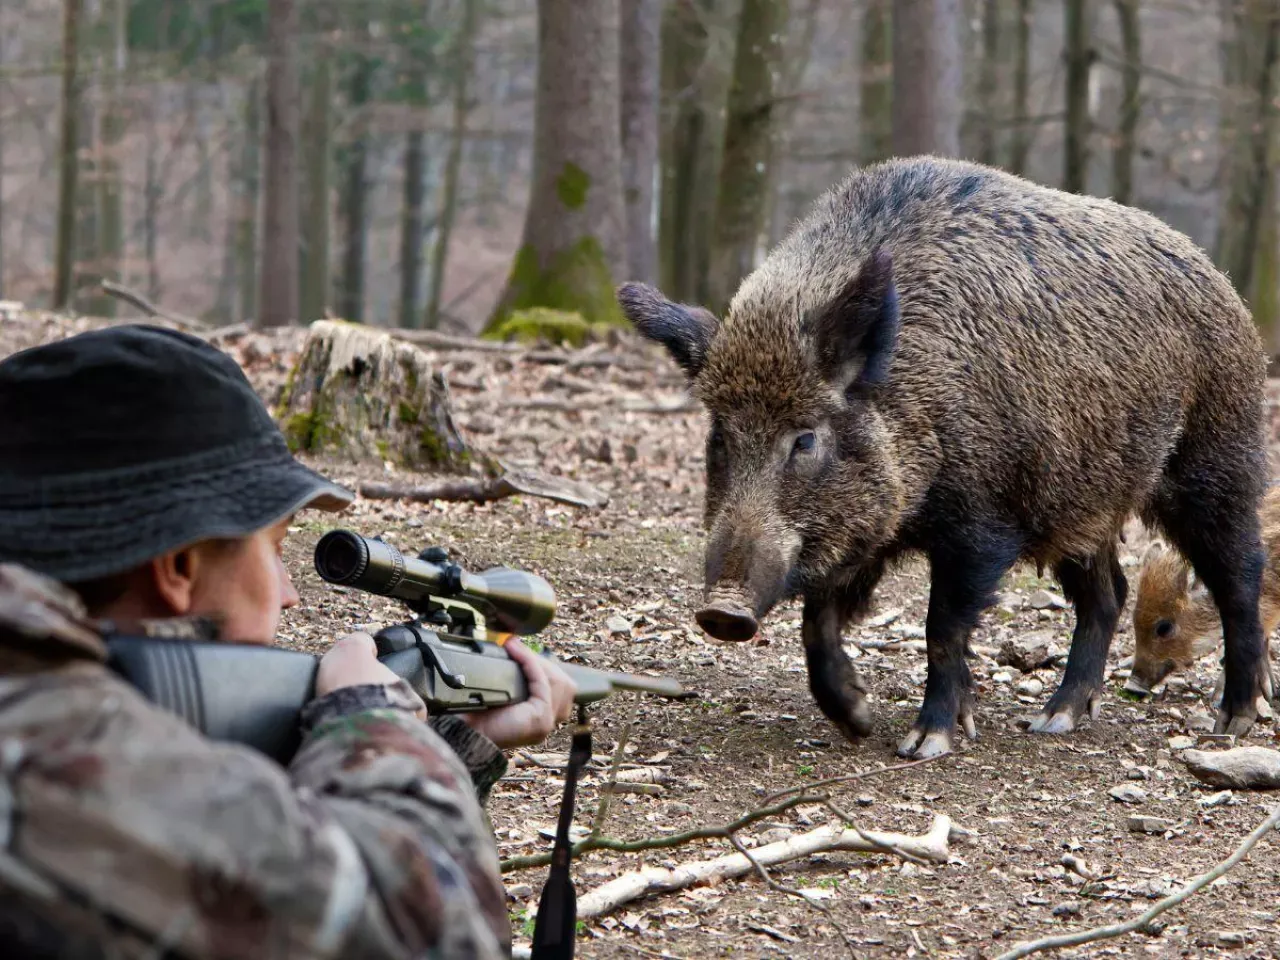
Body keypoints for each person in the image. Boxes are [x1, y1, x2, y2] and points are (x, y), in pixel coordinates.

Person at [0, 324, 577, 959]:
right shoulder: (55, 754)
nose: (290, 593)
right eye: (273, 549)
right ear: (179, 568)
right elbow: (434, 938)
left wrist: (453, 749)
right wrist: (372, 722)